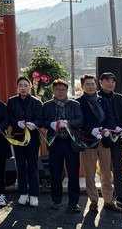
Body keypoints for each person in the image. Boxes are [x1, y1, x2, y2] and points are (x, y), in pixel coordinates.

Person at [76, 74, 122, 213]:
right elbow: (80, 121)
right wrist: (91, 130)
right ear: (82, 86)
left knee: (106, 172)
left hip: (105, 140)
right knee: (90, 172)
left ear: (96, 84)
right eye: (87, 84)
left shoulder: (103, 100)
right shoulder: (78, 102)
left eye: (92, 84)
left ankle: (108, 200)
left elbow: (110, 117)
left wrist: (108, 128)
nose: (91, 86)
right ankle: (94, 200)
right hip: (89, 141)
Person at [41, 78, 83, 212]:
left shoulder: (74, 104)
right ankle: (56, 201)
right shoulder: (47, 105)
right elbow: (43, 121)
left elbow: (80, 120)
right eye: (57, 89)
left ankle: (73, 202)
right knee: (55, 173)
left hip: (71, 144)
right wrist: (51, 124)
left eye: (63, 89)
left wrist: (69, 122)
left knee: (73, 173)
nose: (60, 92)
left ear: (67, 90)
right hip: (55, 143)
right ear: (53, 90)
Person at [7, 77, 43, 207]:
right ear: (17, 87)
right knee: (20, 165)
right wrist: (16, 122)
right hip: (18, 138)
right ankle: (23, 193)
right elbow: (9, 117)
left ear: (30, 87)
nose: (23, 88)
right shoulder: (12, 101)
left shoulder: (36, 102)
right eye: (20, 85)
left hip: (32, 139)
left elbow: (40, 118)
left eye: (25, 85)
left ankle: (34, 194)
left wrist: (34, 124)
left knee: (32, 166)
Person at [98, 72, 122, 209]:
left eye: (113, 81)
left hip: (118, 138)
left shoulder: (119, 98)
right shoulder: (97, 97)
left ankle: (120, 196)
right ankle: (108, 198)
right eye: (107, 81)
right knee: (105, 169)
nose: (110, 84)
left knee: (118, 167)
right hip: (103, 137)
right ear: (100, 82)